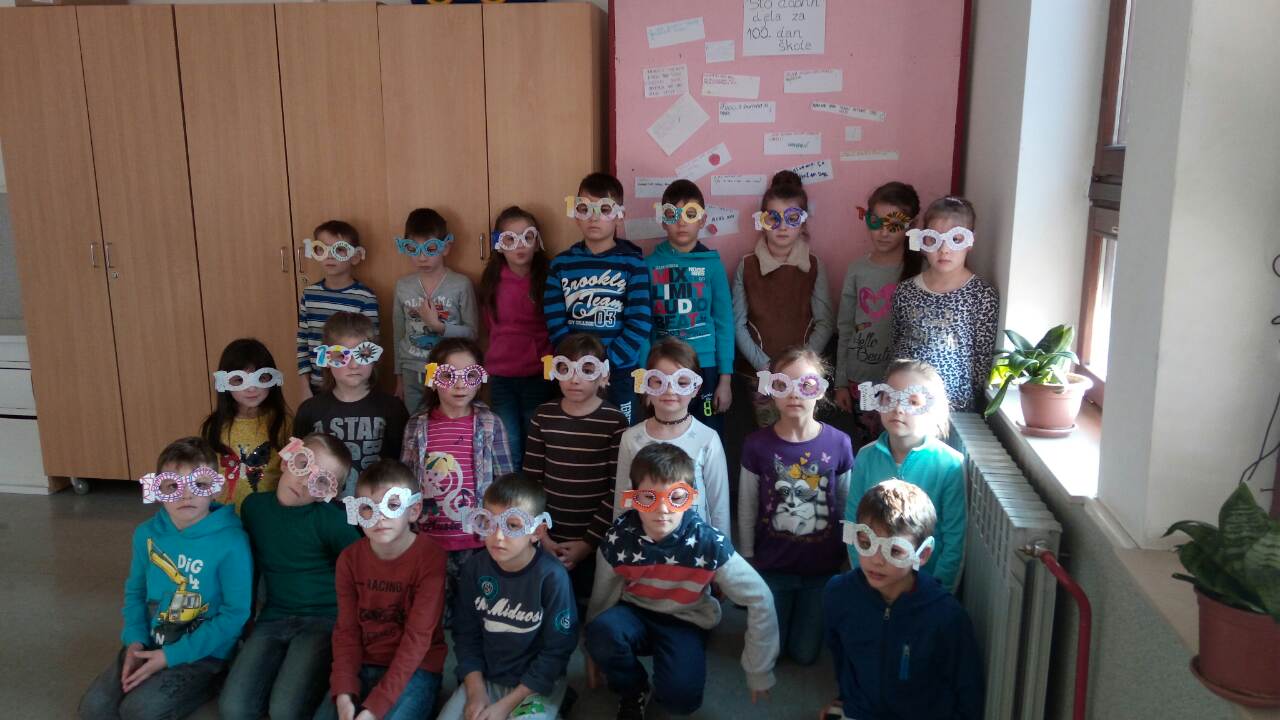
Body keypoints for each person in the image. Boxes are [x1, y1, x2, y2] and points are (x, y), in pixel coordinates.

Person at [586, 443, 778, 719]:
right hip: (635, 612)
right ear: (633, 498)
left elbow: (759, 596)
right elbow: (602, 595)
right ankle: (634, 689)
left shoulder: (707, 542)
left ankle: (679, 660)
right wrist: (593, 649)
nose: (663, 509)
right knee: (601, 632)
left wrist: (758, 669)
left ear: (691, 498)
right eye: (649, 497)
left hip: (685, 618)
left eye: (676, 497)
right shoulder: (619, 538)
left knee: (681, 700)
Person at [79, 437, 252, 720]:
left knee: (138, 711)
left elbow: (235, 614)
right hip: (153, 639)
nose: (186, 495)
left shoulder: (232, 542)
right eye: (173, 486)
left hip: (204, 652)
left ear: (215, 489)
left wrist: (170, 657)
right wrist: (135, 640)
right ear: (158, 490)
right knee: (94, 709)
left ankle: (215, 680)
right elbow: (135, 591)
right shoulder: (146, 534)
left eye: (199, 484)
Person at [220, 433, 362, 720]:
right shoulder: (254, 508)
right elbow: (249, 567)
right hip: (274, 618)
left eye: (320, 481)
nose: (303, 482)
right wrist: (245, 619)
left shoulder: (332, 522)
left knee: (285, 710)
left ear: (329, 493)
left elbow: (363, 571)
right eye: (302, 465)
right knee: (234, 709)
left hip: (322, 621)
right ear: (286, 460)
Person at [822, 479, 983, 720]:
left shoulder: (946, 616)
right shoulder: (838, 594)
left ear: (923, 554)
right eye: (866, 544)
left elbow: (967, 685)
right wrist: (846, 698)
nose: (877, 560)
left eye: (894, 550)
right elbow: (840, 654)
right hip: (861, 710)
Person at [738, 346, 853, 666]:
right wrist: (747, 556)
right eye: (783, 385)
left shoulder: (839, 443)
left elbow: (846, 504)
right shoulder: (756, 445)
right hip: (772, 565)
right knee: (770, 651)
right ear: (771, 391)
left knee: (804, 654)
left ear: (821, 391)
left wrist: (847, 556)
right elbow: (747, 505)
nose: (794, 394)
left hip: (821, 569)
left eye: (806, 385)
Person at [437, 473, 578, 720]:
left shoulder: (552, 577)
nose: (498, 536)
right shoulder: (474, 569)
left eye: (512, 526)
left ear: (537, 531)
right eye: (489, 523)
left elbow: (557, 649)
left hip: (535, 687)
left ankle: (560, 699)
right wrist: (476, 690)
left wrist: (506, 706)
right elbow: (466, 634)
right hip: (485, 680)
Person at [316, 459, 447, 720]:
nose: (380, 517)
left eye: (393, 505)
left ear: (413, 510)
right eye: (368, 508)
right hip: (364, 661)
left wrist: (374, 709)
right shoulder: (349, 559)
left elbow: (417, 639)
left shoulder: (430, 558)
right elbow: (346, 630)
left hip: (416, 667)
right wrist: (344, 692)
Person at [402, 337, 513, 624]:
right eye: (449, 375)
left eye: (470, 375)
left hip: (475, 541)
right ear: (433, 379)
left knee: (474, 616)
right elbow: (406, 480)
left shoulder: (490, 423)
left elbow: (505, 482)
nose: (460, 384)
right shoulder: (417, 425)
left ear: (480, 378)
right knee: (433, 618)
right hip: (428, 540)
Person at [523, 333, 628, 601]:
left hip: (596, 541)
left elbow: (616, 489)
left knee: (590, 605)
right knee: (547, 601)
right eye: (565, 369)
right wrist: (542, 536)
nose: (575, 379)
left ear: (603, 376)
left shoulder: (615, 421)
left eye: (587, 370)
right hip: (547, 537)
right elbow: (531, 483)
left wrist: (588, 543)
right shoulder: (542, 416)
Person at [848, 358, 965, 591]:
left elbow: (955, 538)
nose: (899, 409)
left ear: (932, 409)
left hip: (925, 589)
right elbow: (853, 524)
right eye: (890, 397)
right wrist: (863, 581)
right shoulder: (866, 457)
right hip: (871, 584)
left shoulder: (950, 464)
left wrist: (938, 592)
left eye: (913, 401)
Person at [544, 172, 651, 425]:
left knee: (621, 432)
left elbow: (640, 321)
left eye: (604, 209)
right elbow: (554, 319)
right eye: (585, 209)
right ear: (576, 214)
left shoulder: (633, 264)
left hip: (619, 371)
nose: (594, 217)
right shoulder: (561, 264)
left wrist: (605, 363)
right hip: (574, 372)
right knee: (578, 431)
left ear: (619, 215)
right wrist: (578, 363)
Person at [732, 170, 833, 426]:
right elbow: (738, 324)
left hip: (803, 377)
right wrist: (764, 365)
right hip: (760, 374)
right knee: (768, 434)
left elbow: (825, 322)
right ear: (762, 221)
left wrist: (799, 367)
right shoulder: (747, 265)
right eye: (773, 218)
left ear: (803, 222)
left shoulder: (814, 266)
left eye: (792, 218)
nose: (783, 226)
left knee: (801, 432)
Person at [888, 196, 1000, 412]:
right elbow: (895, 343)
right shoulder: (905, 291)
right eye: (934, 240)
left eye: (955, 239)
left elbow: (982, 360)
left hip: (954, 407)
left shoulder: (982, 295)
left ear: (970, 241)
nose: (944, 249)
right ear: (923, 241)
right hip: (904, 404)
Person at [834, 182, 922, 447]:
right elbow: (845, 326)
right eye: (876, 222)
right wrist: (840, 382)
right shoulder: (857, 269)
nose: (883, 233)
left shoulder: (921, 270)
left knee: (903, 448)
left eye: (894, 225)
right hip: (860, 379)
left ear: (910, 225)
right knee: (869, 448)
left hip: (906, 384)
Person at [613, 337, 730, 534]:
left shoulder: (707, 438)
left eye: (681, 382)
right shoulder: (631, 438)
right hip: (642, 545)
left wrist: (721, 549)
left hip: (695, 546)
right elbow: (622, 500)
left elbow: (719, 507)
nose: (669, 390)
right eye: (659, 381)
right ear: (647, 384)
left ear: (695, 388)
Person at [646, 179, 734, 429]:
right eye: (672, 215)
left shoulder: (712, 265)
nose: (681, 222)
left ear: (702, 220)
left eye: (690, 214)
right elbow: (644, 325)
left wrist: (725, 380)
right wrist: (646, 377)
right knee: (666, 433)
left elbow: (724, 322)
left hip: (706, 368)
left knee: (708, 433)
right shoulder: (649, 265)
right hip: (663, 369)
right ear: (663, 220)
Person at [294, 312, 409, 497]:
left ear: (374, 357)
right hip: (324, 506)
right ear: (326, 359)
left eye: (363, 354)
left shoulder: (393, 409)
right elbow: (298, 465)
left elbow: (400, 467)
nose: (354, 365)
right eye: (341, 356)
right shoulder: (309, 411)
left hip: (376, 507)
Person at [479, 205, 555, 469]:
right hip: (502, 377)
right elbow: (491, 325)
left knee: (536, 440)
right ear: (499, 245)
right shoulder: (492, 280)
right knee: (508, 442)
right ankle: (512, 492)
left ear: (537, 241)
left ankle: (533, 490)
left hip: (539, 375)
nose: (520, 245)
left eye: (527, 237)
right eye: (510, 239)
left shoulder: (548, 277)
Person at [392, 207, 479, 412]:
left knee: (447, 423)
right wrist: (399, 378)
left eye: (430, 249)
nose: (422, 257)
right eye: (413, 249)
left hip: (450, 373)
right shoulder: (403, 286)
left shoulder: (460, 284)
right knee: (415, 423)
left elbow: (472, 333)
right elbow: (398, 334)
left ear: (445, 248)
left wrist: (439, 327)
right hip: (412, 370)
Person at [201, 338, 291, 514]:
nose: (251, 389)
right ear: (224, 382)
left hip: (268, 513)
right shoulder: (215, 426)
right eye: (239, 380)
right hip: (226, 514)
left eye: (261, 378)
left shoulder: (283, 423)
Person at [296, 220, 380, 401]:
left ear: (355, 256)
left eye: (339, 249)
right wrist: (304, 385)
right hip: (317, 384)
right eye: (322, 249)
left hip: (354, 385)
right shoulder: (310, 295)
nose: (330, 255)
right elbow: (302, 340)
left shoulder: (365, 297)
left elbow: (371, 346)